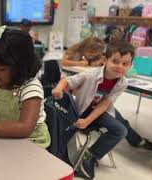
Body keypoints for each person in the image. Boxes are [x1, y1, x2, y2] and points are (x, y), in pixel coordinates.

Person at [53, 41, 134, 179]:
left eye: (125, 64)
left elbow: (105, 104)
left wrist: (87, 121)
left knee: (121, 130)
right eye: (115, 61)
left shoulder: (123, 82)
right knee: (61, 139)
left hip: (96, 114)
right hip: (78, 112)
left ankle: (89, 156)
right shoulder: (90, 75)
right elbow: (67, 81)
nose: (120, 67)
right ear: (104, 60)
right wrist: (58, 89)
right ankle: (59, 159)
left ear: (130, 65)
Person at [63, 37, 152, 152]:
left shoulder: (120, 80)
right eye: (92, 53)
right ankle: (137, 141)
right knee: (118, 122)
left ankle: (136, 141)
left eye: (125, 64)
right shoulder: (77, 54)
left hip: (99, 103)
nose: (93, 55)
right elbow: (66, 69)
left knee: (120, 121)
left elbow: (105, 103)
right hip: (86, 105)